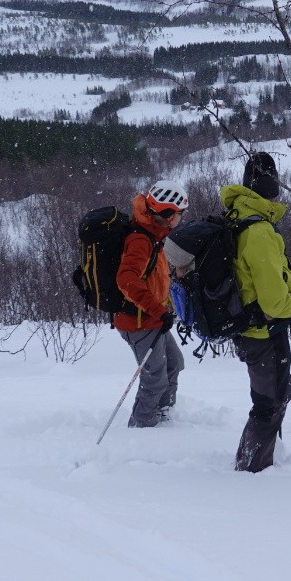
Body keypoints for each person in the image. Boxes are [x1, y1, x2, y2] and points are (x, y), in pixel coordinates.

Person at [222, 151, 291, 472]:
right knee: (268, 403)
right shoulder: (259, 231)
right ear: (273, 191)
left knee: (276, 393)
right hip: (264, 332)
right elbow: (274, 302)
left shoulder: (237, 218)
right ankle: (251, 470)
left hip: (248, 328)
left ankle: (260, 459)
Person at [116, 180, 189, 428]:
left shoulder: (153, 235)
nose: (180, 219)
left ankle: (163, 414)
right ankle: (142, 427)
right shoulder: (141, 240)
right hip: (138, 321)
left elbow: (153, 278)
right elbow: (126, 280)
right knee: (154, 377)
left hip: (152, 318)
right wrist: (157, 309)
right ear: (167, 215)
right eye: (179, 214)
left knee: (174, 363)